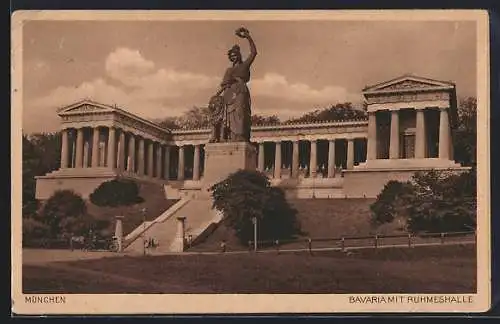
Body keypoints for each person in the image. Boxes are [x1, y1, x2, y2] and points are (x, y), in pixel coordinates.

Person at [215, 27, 257, 142]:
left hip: (241, 91)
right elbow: (223, 85)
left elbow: (254, 52)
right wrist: (216, 96)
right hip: (229, 94)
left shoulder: (244, 66)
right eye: (231, 56)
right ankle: (231, 136)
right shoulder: (229, 70)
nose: (233, 57)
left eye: (235, 55)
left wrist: (247, 36)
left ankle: (241, 136)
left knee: (241, 114)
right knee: (228, 116)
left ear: (239, 55)